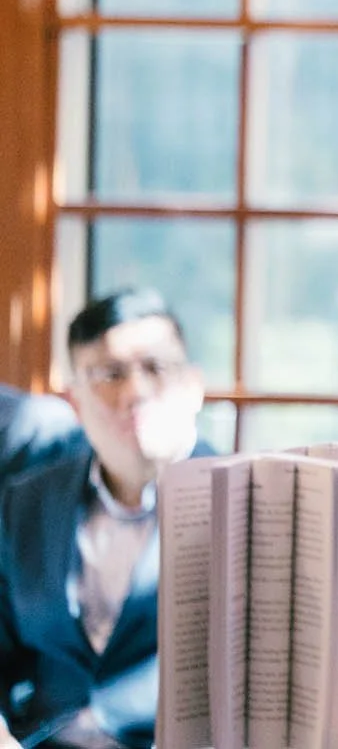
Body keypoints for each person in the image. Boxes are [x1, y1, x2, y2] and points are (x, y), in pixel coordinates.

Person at [0, 289, 206, 749]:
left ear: (193, 386)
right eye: (109, 374)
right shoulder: (26, 502)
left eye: (155, 368)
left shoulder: (244, 504)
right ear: (74, 400)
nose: (135, 392)